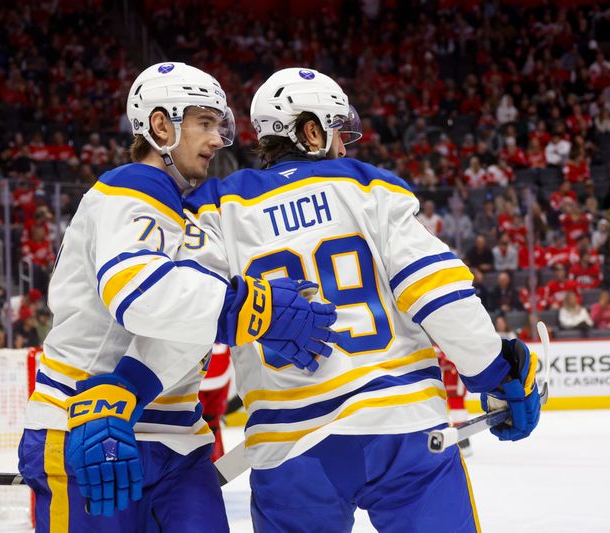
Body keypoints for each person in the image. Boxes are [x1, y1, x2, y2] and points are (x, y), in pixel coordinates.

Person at [178, 68, 541, 532]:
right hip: (402, 428)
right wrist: (496, 373)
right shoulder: (370, 186)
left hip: (287, 445)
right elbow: (439, 293)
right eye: (335, 132)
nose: (344, 147)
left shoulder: (213, 206)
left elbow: (187, 309)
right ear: (311, 131)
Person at [16, 62, 338, 532]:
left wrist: (254, 322)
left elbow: (191, 324)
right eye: (204, 123)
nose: (217, 141)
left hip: (178, 436)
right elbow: (141, 295)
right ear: (161, 125)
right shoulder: (128, 189)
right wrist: (253, 309)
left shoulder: (190, 213)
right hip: (85, 424)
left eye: (219, 126)